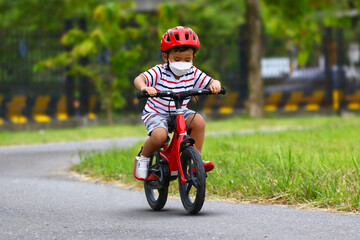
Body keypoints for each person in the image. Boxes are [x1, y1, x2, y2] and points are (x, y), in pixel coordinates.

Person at [133, 26, 222, 180]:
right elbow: (139, 79)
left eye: (187, 59)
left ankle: (195, 161)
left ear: (193, 57)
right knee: (160, 137)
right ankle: (143, 157)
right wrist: (144, 87)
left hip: (180, 111)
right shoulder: (159, 71)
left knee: (199, 122)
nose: (183, 63)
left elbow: (210, 81)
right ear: (166, 57)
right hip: (156, 113)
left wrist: (215, 84)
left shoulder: (193, 72)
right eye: (177, 59)